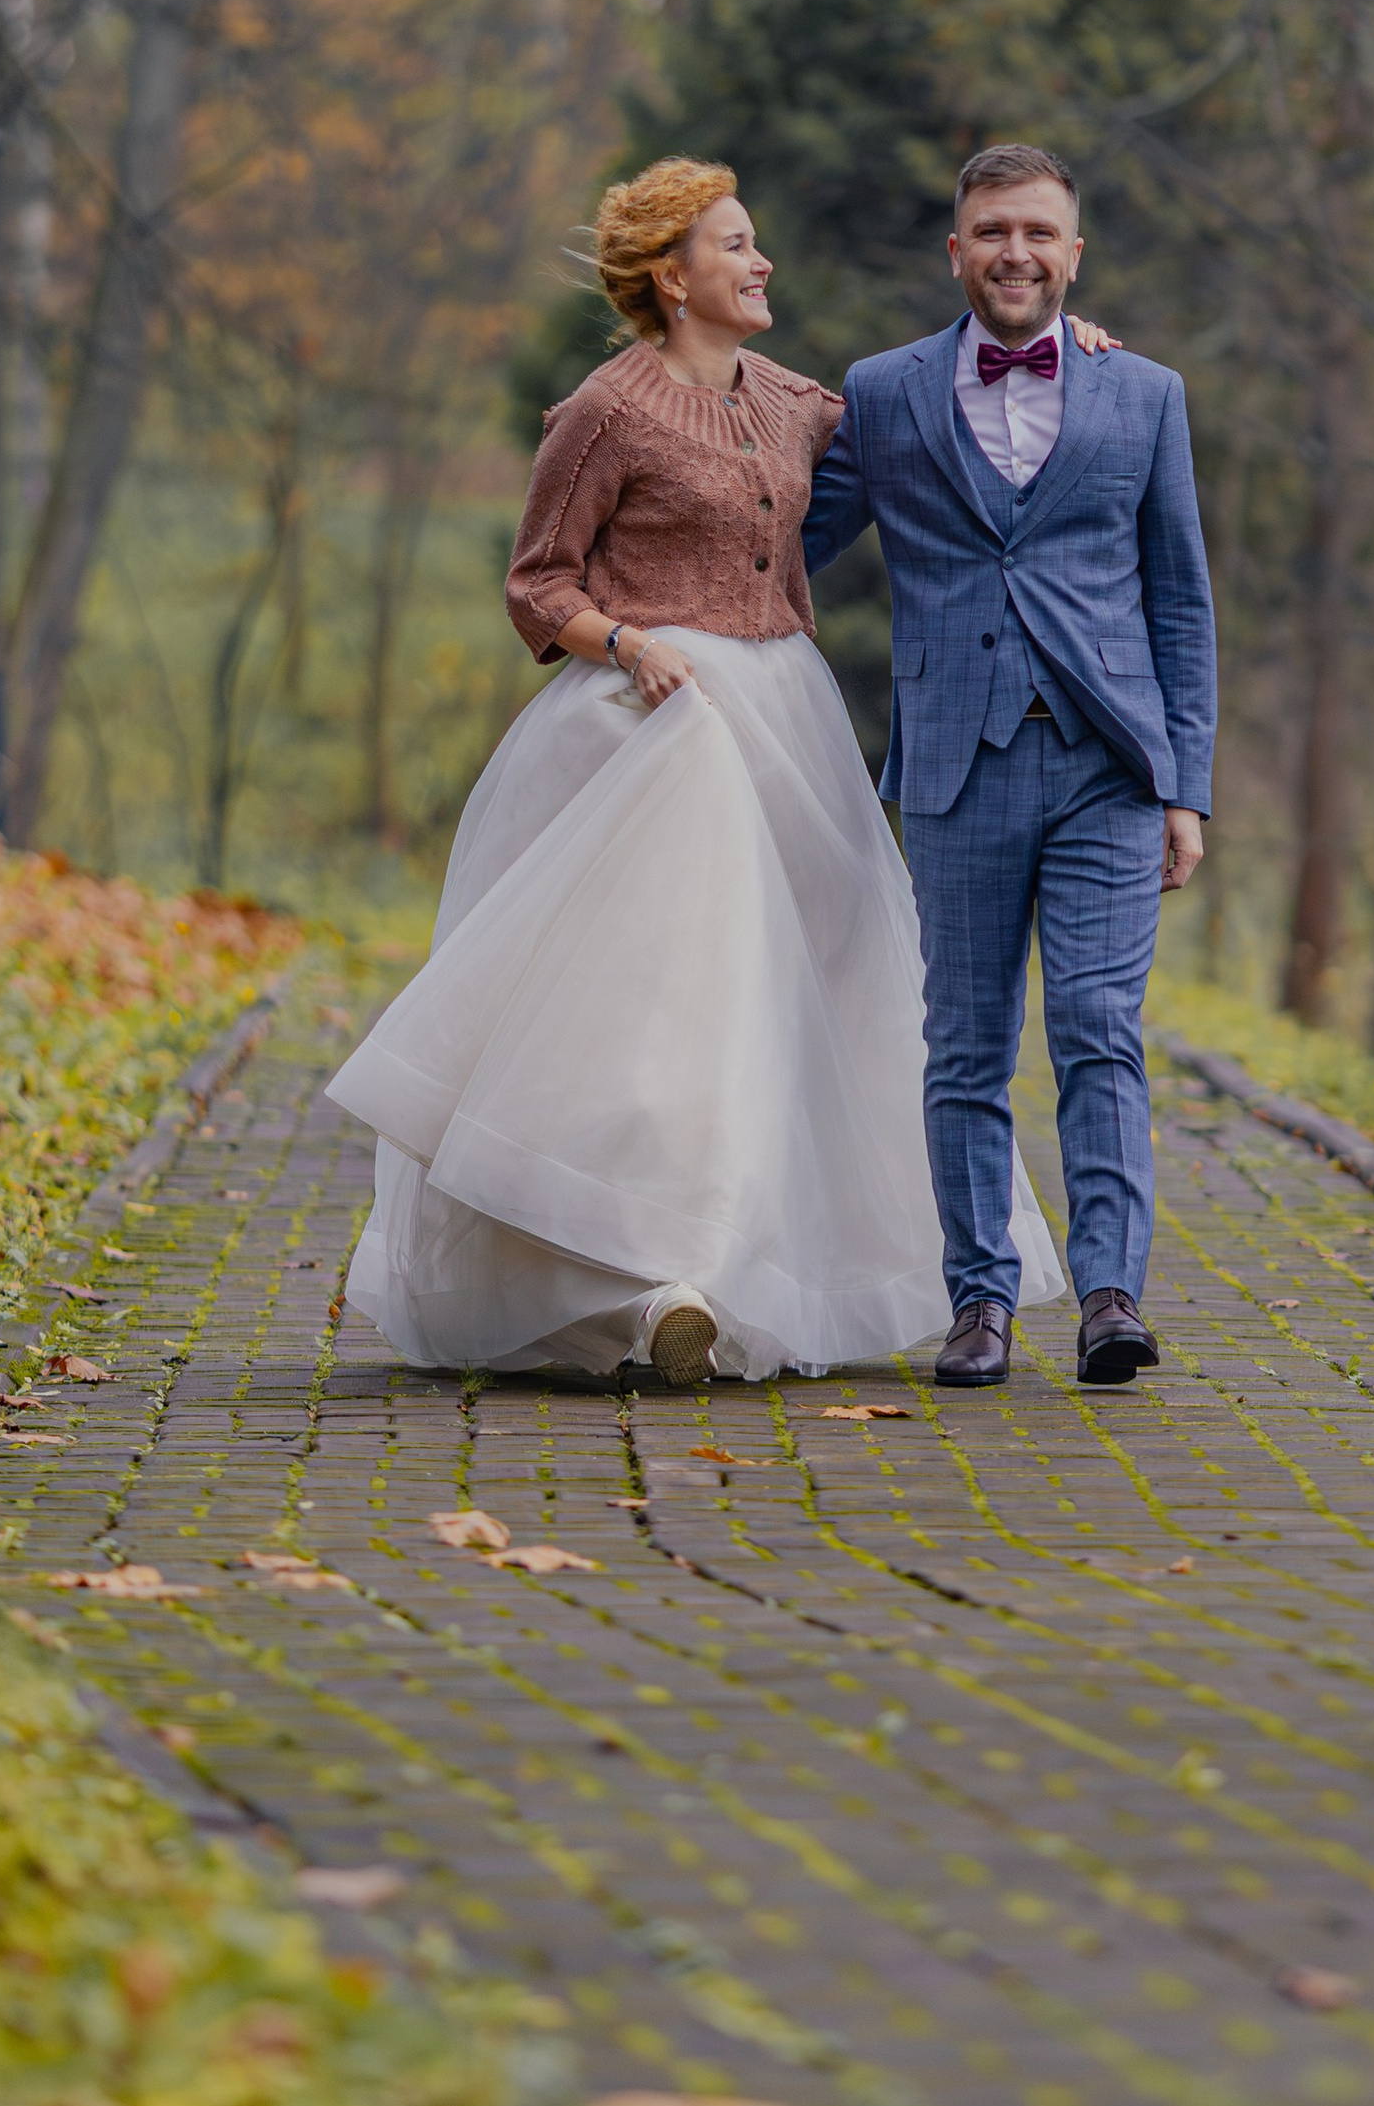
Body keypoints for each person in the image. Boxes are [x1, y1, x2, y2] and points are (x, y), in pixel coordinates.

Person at [325, 157, 1069, 1383]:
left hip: (787, 719)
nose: (760, 261)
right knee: (662, 1011)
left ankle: (739, 1266)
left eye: (755, 240)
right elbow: (536, 582)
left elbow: (942, 392)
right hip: (650, 732)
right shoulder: (602, 412)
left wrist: (1061, 333)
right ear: (672, 278)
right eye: (735, 245)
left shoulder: (792, 399)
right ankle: (660, 1282)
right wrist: (626, 642)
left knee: (793, 1002)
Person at [800, 143, 1216, 1390]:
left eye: (1039, 232)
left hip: (1109, 762)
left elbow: (1181, 601)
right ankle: (977, 1298)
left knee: (1098, 1027)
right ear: (957, 249)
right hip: (956, 768)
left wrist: (1186, 782)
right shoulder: (880, 394)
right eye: (992, 232)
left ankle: (1107, 1297)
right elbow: (780, 537)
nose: (1016, 253)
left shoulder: (1143, 394)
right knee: (966, 1044)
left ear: (1072, 254)